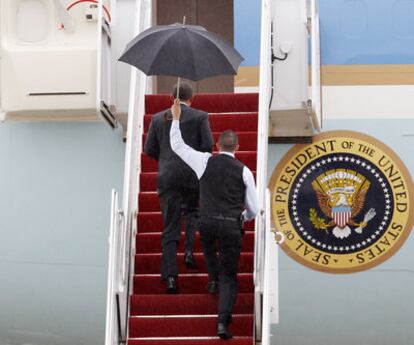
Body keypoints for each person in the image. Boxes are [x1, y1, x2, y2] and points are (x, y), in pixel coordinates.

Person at [169, 99, 258, 340]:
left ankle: (211, 279)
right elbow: (254, 208)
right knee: (230, 276)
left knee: (208, 248)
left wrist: (176, 118)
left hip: (206, 220)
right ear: (237, 147)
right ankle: (222, 323)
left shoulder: (204, 160)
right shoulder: (244, 170)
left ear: (217, 145)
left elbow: (177, 146)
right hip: (231, 224)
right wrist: (243, 217)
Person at [144, 82, 214, 293]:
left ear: (171, 97)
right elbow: (207, 146)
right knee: (192, 212)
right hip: (192, 174)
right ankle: (189, 252)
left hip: (167, 177)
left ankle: (171, 276)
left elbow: (150, 150)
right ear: (191, 98)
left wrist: (166, 161)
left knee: (170, 225)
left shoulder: (157, 119)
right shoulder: (201, 116)